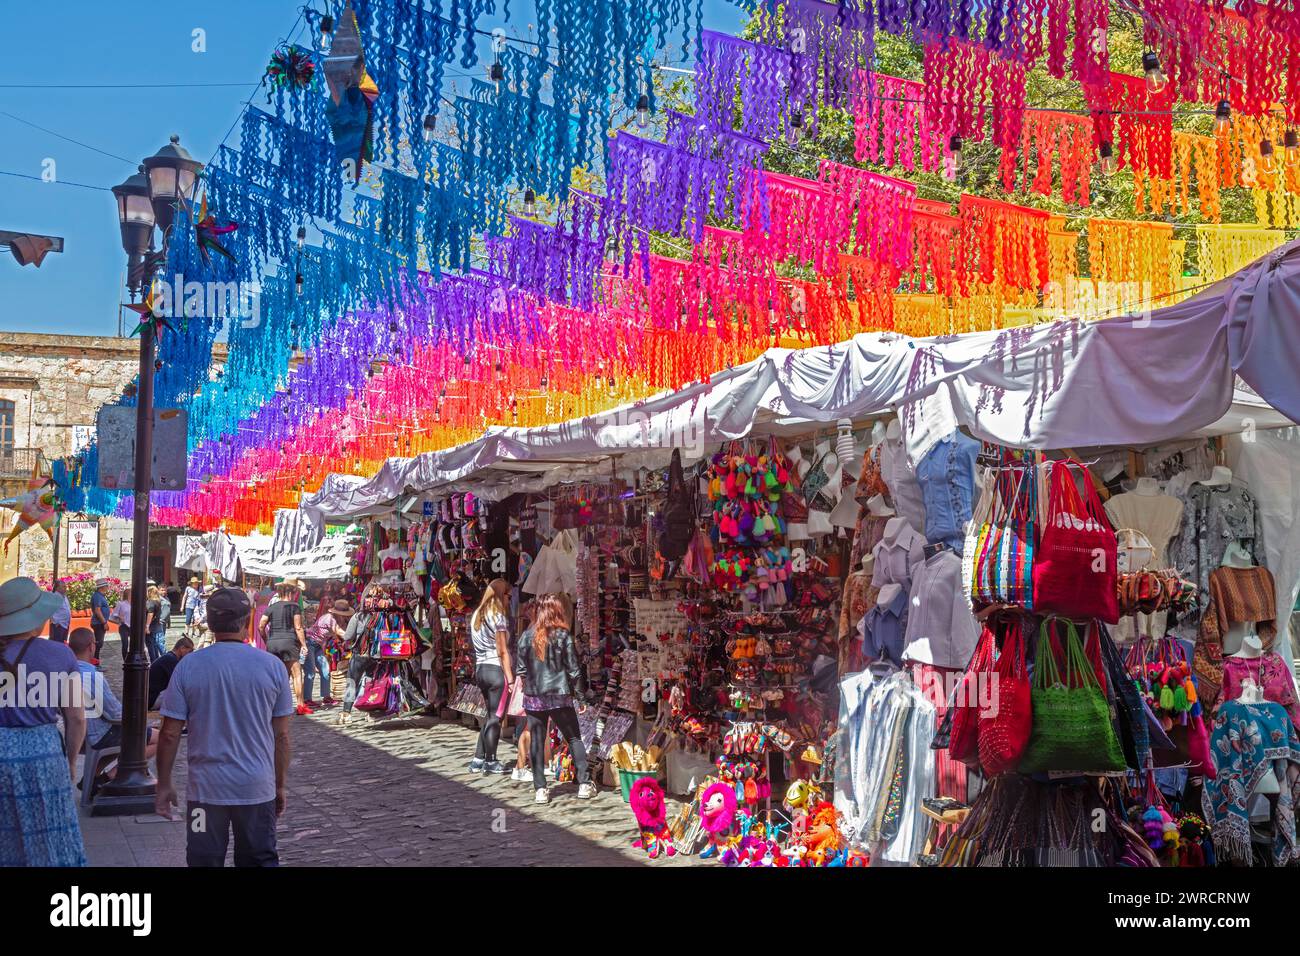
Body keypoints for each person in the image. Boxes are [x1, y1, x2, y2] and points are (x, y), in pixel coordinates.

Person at [155, 587, 293, 867]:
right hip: (256, 789)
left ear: (210, 620)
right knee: (259, 859)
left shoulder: (188, 666)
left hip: (204, 793)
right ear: (247, 620)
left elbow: (169, 734)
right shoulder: (273, 667)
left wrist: (164, 782)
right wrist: (279, 786)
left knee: (202, 859)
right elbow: (281, 736)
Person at [0, 577, 87, 866]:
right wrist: (72, 761)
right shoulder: (60, 654)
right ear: (35, 620)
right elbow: (75, 719)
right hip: (44, 753)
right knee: (51, 831)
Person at [514, 592, 596, 804]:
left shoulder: (526, 636)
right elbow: (574, 670)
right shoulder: (562, 637)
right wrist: (580, 697)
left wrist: (531, 685)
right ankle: (585, 783)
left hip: (534, 698)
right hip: (559, 696)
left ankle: (540, 788)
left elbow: (521, 669)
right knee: (574, 737)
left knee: (537, 741)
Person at [69, 628, 157, 784]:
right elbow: (116, 713)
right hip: (100, 735)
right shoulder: (92, 676)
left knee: (130, 732)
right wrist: (142, 722)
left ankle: (92, 779)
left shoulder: (65, 674)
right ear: (92, 647)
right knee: (161, 738)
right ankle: (109, 775)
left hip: (79, 735)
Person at [468, 578, 513, 775]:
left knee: (488, 716)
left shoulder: (476, 615)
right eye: (508, 595)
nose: (510, 600)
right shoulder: (498, 617)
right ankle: (491, 760)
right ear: (501, 594)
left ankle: (478, 758)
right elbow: (502, 651)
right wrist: (510, 678)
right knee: (496, 717)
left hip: (481, 669)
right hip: (496, 670)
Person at [260, 579, 309, 716]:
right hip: (289, 642)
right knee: (297, 674)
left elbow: (261, 626)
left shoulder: (271, 607)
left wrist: (266, 640)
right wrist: (304, 644)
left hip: (273, 644)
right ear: (293, 591)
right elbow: (298, 627)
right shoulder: (294, 607)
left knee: (278, 676)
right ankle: (300, 705)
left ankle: (276, 706)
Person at [338, 584, 381, 726]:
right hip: (377, 655)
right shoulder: (382, 617)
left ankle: (347, 713)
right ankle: (370, 713)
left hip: (360, 654)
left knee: (352, 683)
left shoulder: (358, 616)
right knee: (370, 683)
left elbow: (348, 636)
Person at [303, 598, 351, 708]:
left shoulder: (334, 619)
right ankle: (307, 699)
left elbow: (335, 636)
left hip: (318, 646)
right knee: (310, 672)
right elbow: (339, 632)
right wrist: (352, 637)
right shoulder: (329, 619)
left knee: (325, 670)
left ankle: (326, 697)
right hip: (309, 643)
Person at [149, 636, 195, 710]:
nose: (190, 655)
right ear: (182, 648)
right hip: (153, 699)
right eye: (189, 651)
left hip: (152, 697)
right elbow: (180, 684)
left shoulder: (169, 657)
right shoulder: (171, 660)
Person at [90, 579, 111, 660]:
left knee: (99, 643)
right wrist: (104, 622)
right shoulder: (97, 596)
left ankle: (95, 661)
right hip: (98, 623)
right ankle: (95, 662)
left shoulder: (99, 596)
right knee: (98, 643)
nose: (108, 587)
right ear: (102, 587)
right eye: (106, 586)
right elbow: (97, 611)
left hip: (99, 623)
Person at [145, 585, 166, 663]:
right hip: (155, 626)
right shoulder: (157, 601)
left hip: (151, 626)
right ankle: (156, 660)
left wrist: (147, 626)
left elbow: (150, 614)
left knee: (150, 645)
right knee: (154, 644)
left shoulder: (150, 602)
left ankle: (153, 661)